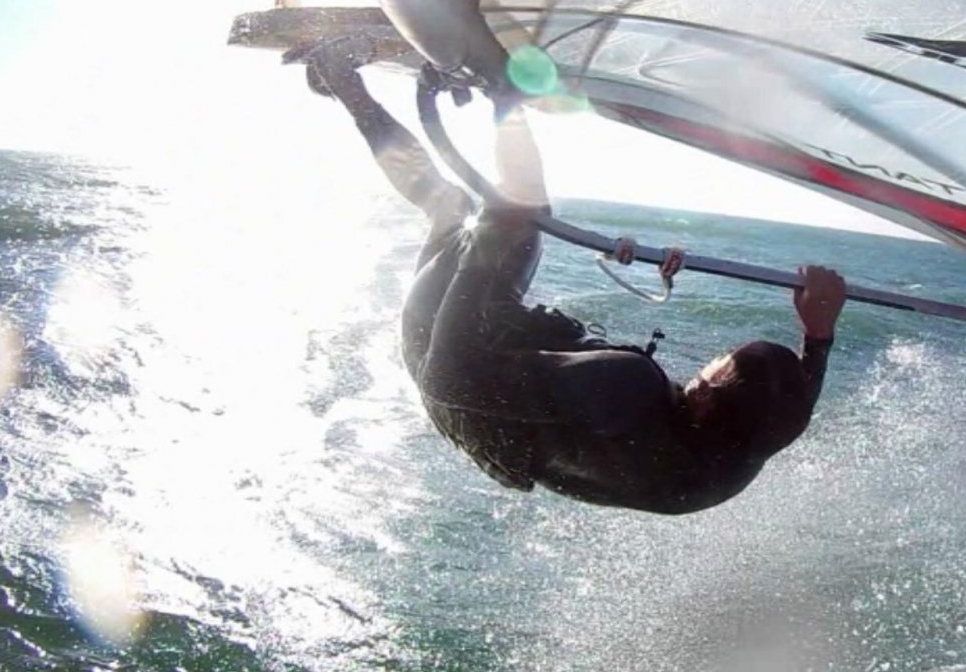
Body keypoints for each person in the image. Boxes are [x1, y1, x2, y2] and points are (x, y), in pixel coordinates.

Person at [303, 43, 848, 515]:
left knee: (474, 212)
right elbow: (789, 401)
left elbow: (451, 377)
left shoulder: (624, 386)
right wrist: (818, 335)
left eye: (710, 372)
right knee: (490, 221)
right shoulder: (746, 448)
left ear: (705, 401)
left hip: (444, 362)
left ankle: (370, 78)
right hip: (502, 435)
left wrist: (489, 239)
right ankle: (346, 85)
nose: (699, 372)